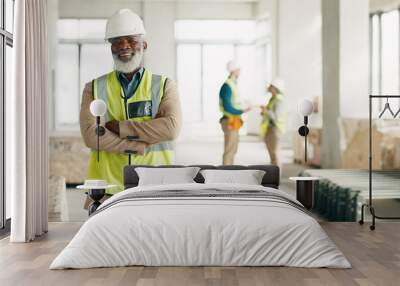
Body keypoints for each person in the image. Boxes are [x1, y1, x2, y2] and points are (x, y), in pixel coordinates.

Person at [80, 8, 182, 200]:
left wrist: (120, 127)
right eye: (116, 41)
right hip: (106, 188)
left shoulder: (165, 86)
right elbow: (91, 137)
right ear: (111, 47)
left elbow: (171, 129)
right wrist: (138, 145)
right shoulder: (93, 88)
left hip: (155, 184)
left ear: (144, 45)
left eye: (131, 40)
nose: (123, 46)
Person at [219, 60, 251, 165]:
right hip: (229, 121)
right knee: (229, 151)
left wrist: (243, 105)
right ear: (234, 71)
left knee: (233, 150)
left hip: (234, 121)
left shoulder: (233, 84)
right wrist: (242, 110)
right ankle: (226, 176)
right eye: (239, 70)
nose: (240, 72)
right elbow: (227, 107)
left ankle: (230, 174)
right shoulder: (227, 86)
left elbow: (234, 102)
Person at [260, 78, 286, 169]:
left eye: (271, 86)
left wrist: (266, 111)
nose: (269, 87)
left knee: (275, 154)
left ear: (275, 88)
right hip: (270, 128)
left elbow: (276, 116)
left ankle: (277, 176)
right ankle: (274, 175)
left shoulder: (279, 100)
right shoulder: (273, 98)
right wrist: (265, 112)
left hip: (275, 129)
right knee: (272, 154)